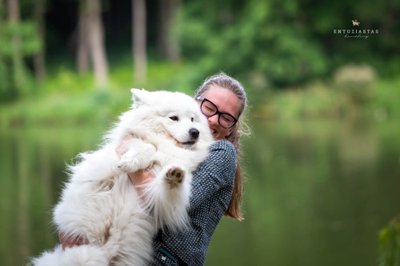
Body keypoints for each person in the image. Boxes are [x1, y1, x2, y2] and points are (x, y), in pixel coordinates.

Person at [59, 72, 249, 265]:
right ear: (195, 102)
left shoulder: (222, 152)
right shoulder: (173, 131)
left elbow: (176, 205)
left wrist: (132, 157)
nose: (215, 120)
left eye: (226, 117)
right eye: (209, 108)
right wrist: (72, 228)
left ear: (232, 127)